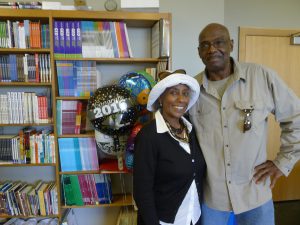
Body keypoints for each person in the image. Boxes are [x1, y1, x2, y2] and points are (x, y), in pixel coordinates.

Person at [189, 23, 300, 225]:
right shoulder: (191, 90)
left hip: (255, 194)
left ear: (231, 44)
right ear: (199, 52)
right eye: (205, 45)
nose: (212, 49)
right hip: (212, 199)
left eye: (219, 42)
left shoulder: (261, 77)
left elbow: (296, 117)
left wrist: (283, 162)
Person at [133, 70, 206, 225]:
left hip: (194, 217)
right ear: (161, 97)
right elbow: (142, 192)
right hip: (163, 221)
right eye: (174, 93)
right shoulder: (148, 136)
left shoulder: (192, 131)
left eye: (185, 93)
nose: (181, 99)